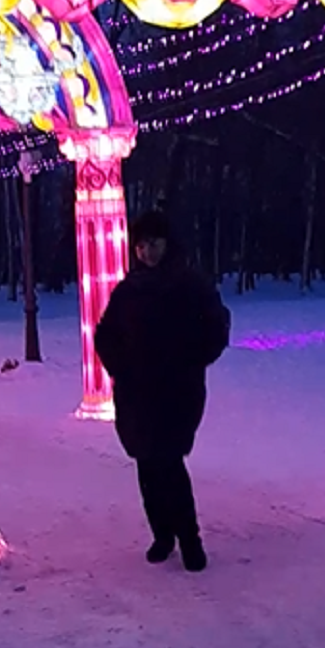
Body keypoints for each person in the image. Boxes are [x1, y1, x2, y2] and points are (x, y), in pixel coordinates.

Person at [95, 210, 230, 572]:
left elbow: (216, 327)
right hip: (136, 393)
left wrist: (190, 360)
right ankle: (162, 534)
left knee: (169, 462)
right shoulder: (128, 290)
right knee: (147, 464)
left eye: (153, 243)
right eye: (140, 245)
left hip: (176, 391)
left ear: (167, 243)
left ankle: (190, 540)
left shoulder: (189, 285)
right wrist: (121, 368)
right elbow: (105, 334)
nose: (146, 251)